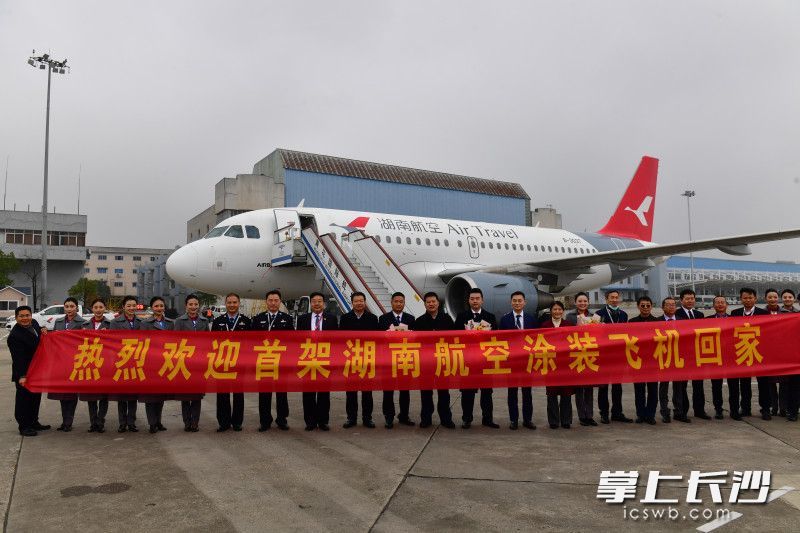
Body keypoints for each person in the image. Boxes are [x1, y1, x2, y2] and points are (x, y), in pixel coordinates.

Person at [454, 288, 499, 429]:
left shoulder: (490, 317)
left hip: (485, 361)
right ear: (468, 300)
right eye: (472, 298)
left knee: (487, 392)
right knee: (467, 392)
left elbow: (497, 338)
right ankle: (467, 419)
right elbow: (454, 337)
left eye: (477, 298)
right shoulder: (461, 317)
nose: (475, 301)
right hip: (468, 360)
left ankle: (488, 419)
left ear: (482, 300)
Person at [251, 289, 294, 431]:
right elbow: (252, 342)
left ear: (280, 302)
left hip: (281, 362)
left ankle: (282, 419)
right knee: (264, 393)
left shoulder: (287, 319)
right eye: (270, 300)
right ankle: (265, 421)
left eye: (276, 300)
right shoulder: (258, 319)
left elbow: (292, 342)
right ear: (266, 302)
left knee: (282, 393)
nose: (273, 303)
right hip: (264, 362)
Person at [414, 292, 456, 429]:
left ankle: (446, 418)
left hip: (443, 362)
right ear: (425, 304)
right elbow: (415, 343)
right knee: (426, 392)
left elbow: (454, 340)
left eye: (433, 301)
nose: (431, 304)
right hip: (425, 363)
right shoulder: (419, 322)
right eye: (428, 302)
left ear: (438, 303)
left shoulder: (447, 320)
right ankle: (426, 418)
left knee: (444, 392)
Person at [296, 292, 338, 431]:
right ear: (311, 303)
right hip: (307, 360)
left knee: (324, 393)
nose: (317, 304)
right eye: (314, 301)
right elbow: (297, 340)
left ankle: (323, 421)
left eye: (320, 301)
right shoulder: (303, 319)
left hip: (325, 360)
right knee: (308, 393)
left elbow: (336, 341)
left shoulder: (331, 319)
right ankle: (310, 421)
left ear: (324, 304)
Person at [210, 293, 251, 432]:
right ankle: (223, 422)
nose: (232, 305)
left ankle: (237, 422)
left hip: (240, 364)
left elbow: (251, 344)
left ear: (239, 303)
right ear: (225, 304)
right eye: (229, 302)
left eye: (234, 302)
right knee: (222, 394)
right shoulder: (218, 321)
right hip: (223, 363)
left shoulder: (246, 322)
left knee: (238, 394)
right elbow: (212, 343)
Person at [7, 306, 49, 436]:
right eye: (21, 316)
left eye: (27, 315)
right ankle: (24, 426)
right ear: (16, 318)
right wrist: (22, 376)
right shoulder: (15, 336)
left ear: (31, 316)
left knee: (35, 398)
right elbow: (18, 359)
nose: (25, 318)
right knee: (23, 400)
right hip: (24, 373)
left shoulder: (35, 323)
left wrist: (44, 330)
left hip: (37, 370)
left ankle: (33, 422)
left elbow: (40, 335)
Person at [339, 292, 379, 428]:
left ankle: (367, 418)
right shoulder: (345, 318)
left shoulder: (373, 318)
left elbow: (378, 340)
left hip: (367, 359)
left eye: (361, 301)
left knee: (367, 391)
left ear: (365, 302)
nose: (359, 303)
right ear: (352, 303)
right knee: (351, 391)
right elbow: (340, 340)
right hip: (350, 359)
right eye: (356, 301)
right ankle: (351, 418)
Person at [593, 290, 633, 424]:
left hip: (618, 355)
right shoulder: (599, 314)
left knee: (617, 386)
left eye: (616, 297)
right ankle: (604, 413)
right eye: (612, 298)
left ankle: (617, 412)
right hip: (604, 355)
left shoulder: (623, 314)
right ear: (606, 299)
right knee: (603, 386)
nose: (614, 300)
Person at [730, 287, 770, 419]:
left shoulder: (763, 314)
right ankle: (745, 408)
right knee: (744, 384)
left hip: (759, 353)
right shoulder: (735, 313)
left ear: (755, 298)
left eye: (750, 297)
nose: (748, 300)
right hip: (742, 352)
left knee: (763, 383)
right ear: (741, 299)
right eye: (745, 298)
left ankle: (765, 410)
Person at [378, 292, 416, 429]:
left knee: (405, 390)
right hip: (388, 360)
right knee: (388, 391)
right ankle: (389, 417)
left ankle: (404, 415)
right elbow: (378, 339)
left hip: (404, 359)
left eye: (401, 301)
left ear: (404, 303)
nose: (398, 304)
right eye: (396, 301)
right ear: (391, 302)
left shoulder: (411, 319)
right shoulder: (383, 319)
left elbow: (416, 339)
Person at [499, 291, 537, 430]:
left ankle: (528, 419)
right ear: (511, 302)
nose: (517, 303)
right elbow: (501, 341)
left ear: (524, 302)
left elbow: (536, 340)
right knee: (512, 392)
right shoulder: (505, 320)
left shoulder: (531, 319)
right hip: (512, 362)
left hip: (527, 361)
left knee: (527, 392)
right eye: (514, 300)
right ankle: (513, 420)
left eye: (519, 300)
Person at [173, 294, 210, 432]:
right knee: (185, 396)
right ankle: (186, 422)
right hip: (184, 363)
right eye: (190, 304)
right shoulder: (179, 321)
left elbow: (208, 342)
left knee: (196, 396)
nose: (193, 307)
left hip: (199, 364)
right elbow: (175, 342)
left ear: (198, 306)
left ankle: (195, 422)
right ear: (186, 306)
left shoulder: (204, 321)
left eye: (195, 304)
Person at [50, 297, 87, 431]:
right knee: (62, 393)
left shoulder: (83, 323)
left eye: (72, 306)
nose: (69, 309)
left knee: (71, 394)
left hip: (74, 362)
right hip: (60, 362)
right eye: (67, 306)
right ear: (64, 308)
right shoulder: (58, 322)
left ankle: (68, 422)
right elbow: (53, 340)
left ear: (77, 308)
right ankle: (64, 421)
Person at [674, 288, 710, 421]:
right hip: (683, 355)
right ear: (681, 300)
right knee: (681, 385)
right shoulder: (676, 314)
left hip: (697, 355)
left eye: (692, 298)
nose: (690, 301)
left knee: (698, 385)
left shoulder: (699, 314)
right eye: (687, 299)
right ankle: (681, 411)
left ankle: (699, 410)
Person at [140, 296, 173, 433]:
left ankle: (158, 421)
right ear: (152, 308)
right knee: (150, 396)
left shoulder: (171, 323)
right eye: (156, 306)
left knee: (160, 395)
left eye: (161, 306)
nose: (159, 308)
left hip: (165, 362)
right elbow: (142, 342)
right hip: (150, 363)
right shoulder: (145, 323)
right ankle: (152, 423)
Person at [109, 295, 142, 432]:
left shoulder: (141, 322)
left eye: (133, 305)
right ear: (123, 307)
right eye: (128, 306)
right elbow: (112, 342)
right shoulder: (115, 323)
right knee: (122, 395)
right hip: (121, 362)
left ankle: (132, 422)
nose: (131, 308)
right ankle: (122, 422)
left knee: (133, 395)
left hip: (136, 361)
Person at [540, 302, 574, 429]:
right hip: (550, 363)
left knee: (566, 394)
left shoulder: (569, 325)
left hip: (565, 364)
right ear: (551, 311)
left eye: (560, 309)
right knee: (552, 394)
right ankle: (553, 421)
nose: (557, 312)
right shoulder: (545, 325)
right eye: (555, 309)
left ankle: (566, 420)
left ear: (563, 311)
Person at [566, 292, 598, 426]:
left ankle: (589, 415)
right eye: (580, 301)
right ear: (575, 302)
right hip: (576, 354)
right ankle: (582, 416)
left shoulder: (594, 316)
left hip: (590, 354)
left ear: (588, 302)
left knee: (589, 388)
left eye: (585, 301)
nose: (582, 303)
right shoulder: (570, 316)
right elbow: (566, 334)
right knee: (579, 388)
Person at [81, 298, 111, 433]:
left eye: (101, 307)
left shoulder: (111, 325)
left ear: (104, 308)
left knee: (104, 396)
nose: (98, 310)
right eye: (96, 307)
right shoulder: (84, 325)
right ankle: (93, 422)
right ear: (92, 309)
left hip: (105, 364)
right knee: (91, 396)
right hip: (90, 364)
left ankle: (101, 421)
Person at [629, 296, 659, 425]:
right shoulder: (632, 322)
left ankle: (651, 415)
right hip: (637, 361)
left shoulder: (658, 322)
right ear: (638, 306)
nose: (645, 308)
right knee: (639, 390)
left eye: (648, 305)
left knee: (653, 390)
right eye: (643, 305)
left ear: (651, 306)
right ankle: (641, 414)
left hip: (653, 361)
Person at [706, 296, 731, 420]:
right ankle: (718, 409)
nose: (720, 304)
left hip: (731, 358)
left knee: (733, 386)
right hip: (715, 358)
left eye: (722, 302)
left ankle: (735, 409)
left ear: (727, 305)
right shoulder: (707, 320)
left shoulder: (735, 319)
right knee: (716, 386)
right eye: (717, 303)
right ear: (714, 305)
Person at [659, 297, 679, 423]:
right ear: (663, 307)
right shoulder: (657, 322)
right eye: (668, 305)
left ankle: (679, 410)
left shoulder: (683, 322)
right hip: (663, 357)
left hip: (678, 358)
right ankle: (664, 410)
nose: (671, 307)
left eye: (673, 305)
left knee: (679, 386)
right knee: (664, 386)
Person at [764, 289, 783, 416]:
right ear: (766, 298)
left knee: (784, 382)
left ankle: (783, 407)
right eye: (770, 297)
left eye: (775, 297)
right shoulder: (760, 313)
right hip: (767, 352)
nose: (772, 299)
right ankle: (773, 407)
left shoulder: (787, 314)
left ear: (778, 298)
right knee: (769, 383)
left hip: (782, 352)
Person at [781, 289, 799, 422]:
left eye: (790, 297)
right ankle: (792, 411)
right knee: (794, 385)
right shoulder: (795, 316)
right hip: (794, 357)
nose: (787, 299)